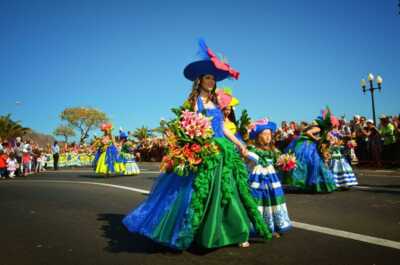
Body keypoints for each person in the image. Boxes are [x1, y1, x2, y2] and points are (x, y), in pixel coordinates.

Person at [123, 39, 271, 250]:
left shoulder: (216, 103)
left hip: (224, 151)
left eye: (213, 78)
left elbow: (224, 129)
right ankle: (200, 232)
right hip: (206, 150)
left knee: (230, 190)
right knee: (199, 193)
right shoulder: (194, 102)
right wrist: (196, 142)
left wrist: (240, 144)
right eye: (207, 77)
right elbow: (187, 125)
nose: (210, 81)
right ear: (199, 80)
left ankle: (236, 231)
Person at [246, 119, 292, 236]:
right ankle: (257, 228)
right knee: (258, 201)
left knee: (272, 201)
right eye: (265, 134)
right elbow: (246, 159)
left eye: (270, 134)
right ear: (257, 136)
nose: (268, 137)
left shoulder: (274, 150)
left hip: (272, 180)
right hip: (257, 180)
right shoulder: (251, 149)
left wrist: (285, 163)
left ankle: (273, 227)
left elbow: (278, 162)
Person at [283, 109, 337, 193]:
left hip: (306, 145)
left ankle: (310, 185)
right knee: (314, 163)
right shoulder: (318, 128)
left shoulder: (318, 127)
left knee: (309, 164)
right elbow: (308, 132)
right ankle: (314, 185)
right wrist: (316, 138)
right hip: (307, 146)